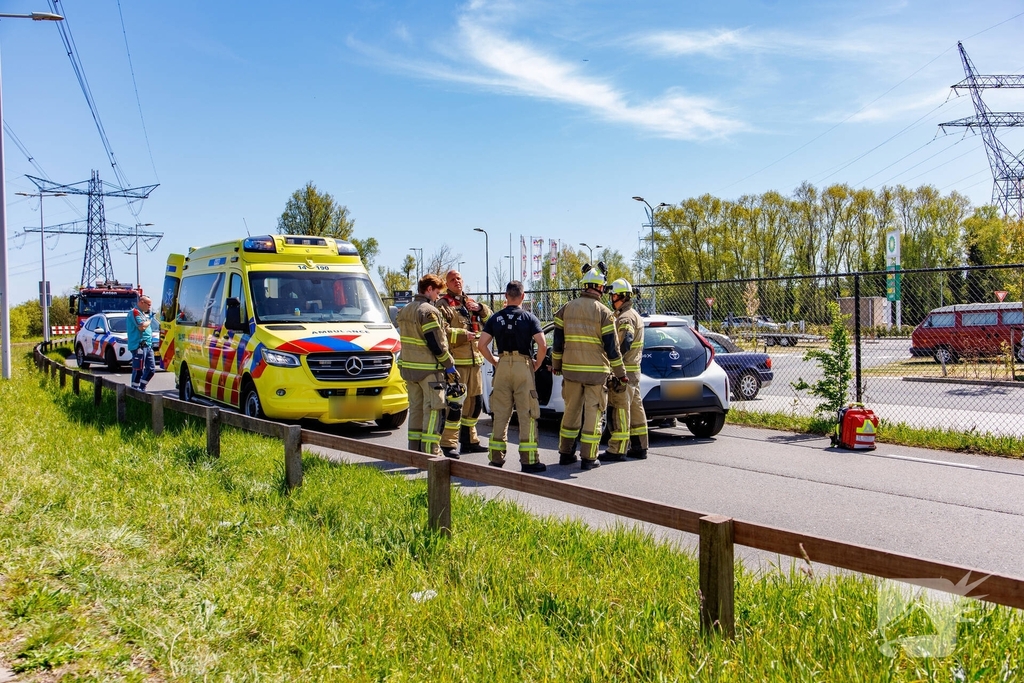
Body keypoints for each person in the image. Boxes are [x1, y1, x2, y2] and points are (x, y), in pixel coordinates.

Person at [552, 268, 627, 470]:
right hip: (596, 374)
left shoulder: (565, 309)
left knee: (571, 412)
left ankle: (566, 453)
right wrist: (621, 374)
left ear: (584, 286)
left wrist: (557, 366)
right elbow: (613, 349)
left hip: (571, 371)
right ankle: (589, 458)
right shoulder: (604, 313)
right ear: (600, 287)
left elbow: (557, 343)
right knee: (593, 415)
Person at [477, 281, 548, 473]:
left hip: (502, 366)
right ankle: (529, 461)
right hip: (523, 366)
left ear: (505, 296)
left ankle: (496, 460)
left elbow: (481, 345)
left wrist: (495, 362)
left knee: (500, 414)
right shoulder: (529, 317)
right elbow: (542, 345)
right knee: (528, 413)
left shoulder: (495, 318)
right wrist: (537, 363)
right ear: (523, 296)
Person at [396, 274, 459, 457]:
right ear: (429, 289)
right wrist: (449, 364)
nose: (438, 297)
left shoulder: (405, 310)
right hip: (429, 371)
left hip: (409, 369)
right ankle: (431, 451)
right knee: (434, 409)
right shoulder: (428, 311)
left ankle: (414, 450)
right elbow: (437, 343)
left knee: (415, 408)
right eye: (437, 292)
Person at [436, 269, 492, 456]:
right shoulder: (443, 304)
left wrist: (481, 308)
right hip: (457, 364)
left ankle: (470, 441)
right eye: (452, 280)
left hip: (475, 362)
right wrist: (461, 335)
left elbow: (491, 322)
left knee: (475, 404)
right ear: (447, 284)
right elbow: (440, 331)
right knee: (455, 405)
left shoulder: (470, 303)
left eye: (459, 278)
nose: (456, 282)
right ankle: (448, 444)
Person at [601, 279, 648, 461]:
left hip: (624, 372)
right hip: (634, 371)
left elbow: (624, 342)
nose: (611, 299)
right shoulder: (634, 314)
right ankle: (640, 447)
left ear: (621, 296)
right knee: (636, 409)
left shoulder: (625, 317)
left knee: (619, 408)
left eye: (613, 295)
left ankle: (617, 449)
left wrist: (615, 365)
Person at [128, 294, 158, 391]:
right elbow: (142, 327)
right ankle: (134, 390)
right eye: (148, 305)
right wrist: (149, 319)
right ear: (142, 302)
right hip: (138, 346)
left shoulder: (143, 314)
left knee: (151, 369)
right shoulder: (135, 312)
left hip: (148, 345)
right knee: (138, 369)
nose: (150, 307)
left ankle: (141, 387)